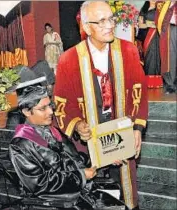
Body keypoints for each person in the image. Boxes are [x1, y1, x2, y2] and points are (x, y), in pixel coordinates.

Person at [54, 1, 148, 210]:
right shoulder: (68, 60)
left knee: (125, 195)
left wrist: (137, 129)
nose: (110, 25)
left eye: (111, 19)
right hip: (88, 143)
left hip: (121, 132)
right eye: (102, 21)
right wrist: (77, 125)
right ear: (87, 27)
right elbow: (62, 104)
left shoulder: (128, 51)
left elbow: (138, 92)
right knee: (94, 198)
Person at [9, 78, 127, 210]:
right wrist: (81, 176)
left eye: (50, 106)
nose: (51, 112)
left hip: (78, 193)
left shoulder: (53, 131)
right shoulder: (20, 145)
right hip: (55, 202)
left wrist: (106, 157)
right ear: (26, 111)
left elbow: (77, 160)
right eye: (43, 108)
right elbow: (40, 184)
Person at [136, 1, 162, 88]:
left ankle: (159, 82)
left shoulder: (160, 8)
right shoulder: (144, 9)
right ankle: (149, 82)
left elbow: (163, 23)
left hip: (159, 37)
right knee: (149, 58)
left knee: (158, 58)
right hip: (146, 36)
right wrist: (151, 24)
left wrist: (148, 24)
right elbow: (140, 25)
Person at [155, 1, 177, 94]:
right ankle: (170, 84)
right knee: (170, 58)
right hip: (169, 30)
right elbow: (158, 20)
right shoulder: (162, 4)